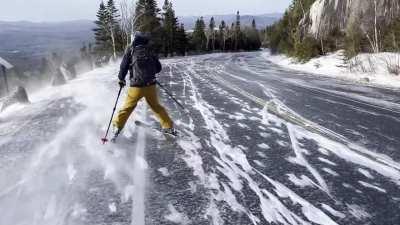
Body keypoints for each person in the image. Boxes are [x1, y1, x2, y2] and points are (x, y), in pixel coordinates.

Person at [112, 32, 175, 142]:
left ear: (134, 41)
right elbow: (158, 68)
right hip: (150, 85)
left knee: (127, 108)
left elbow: (123, 67)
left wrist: (121, 79)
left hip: (136, 87)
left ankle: (117, 126)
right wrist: (149, 73)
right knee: (156, 106)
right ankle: (168, 127)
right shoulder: (149, 51)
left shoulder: (130, 51)